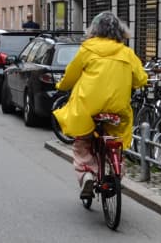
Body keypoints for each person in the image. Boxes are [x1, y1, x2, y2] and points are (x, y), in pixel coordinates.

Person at [53, 12, 148, 200]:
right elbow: (140, 78)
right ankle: (115, 167)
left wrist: (60, 86)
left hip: (89, 106)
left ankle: (87, 173)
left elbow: (71, 75)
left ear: (94, 30)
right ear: (120, 31)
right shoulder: (126, 53)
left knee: (82, 142)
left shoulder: (87, 49)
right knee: (116, 138)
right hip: (116, 108)